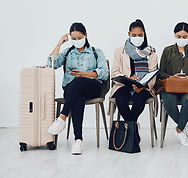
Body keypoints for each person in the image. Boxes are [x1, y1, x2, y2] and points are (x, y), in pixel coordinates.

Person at [47, 22, 109, 155]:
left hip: (93, 87)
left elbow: (104, 73)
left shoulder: (96, 52)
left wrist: (84, 74)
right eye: (73, 39)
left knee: (79, 80)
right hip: (72, 90)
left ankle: (62, 118)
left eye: (79, 38)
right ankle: (78, 140)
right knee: (78, 98)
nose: (76, 41)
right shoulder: (68, 52)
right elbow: (51, 64)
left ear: (86, 35)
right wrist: (59, 44)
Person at [158, 22, 188, 146]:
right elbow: (160, 72)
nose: (181, 39)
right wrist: (170, 76)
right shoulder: (167, 50)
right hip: (171, 87)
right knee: (168, 101)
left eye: (184, 37)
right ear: (174, 35)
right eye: (179, 36)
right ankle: (183, 126)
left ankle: (179, 129)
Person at [110, 19, 158, 138]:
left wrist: (143, 86)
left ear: (144, 35)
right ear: (129, 35)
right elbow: (114, 73)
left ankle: (129, 132)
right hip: (124, 86)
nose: (137, 37)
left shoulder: (151, 53)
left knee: (138, 100)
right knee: (121, 99)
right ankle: (133, 131)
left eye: (140, 35)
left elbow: (153, 75)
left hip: (144, 88)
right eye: (134, 35)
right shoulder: (119, 51)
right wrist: (129, 78)